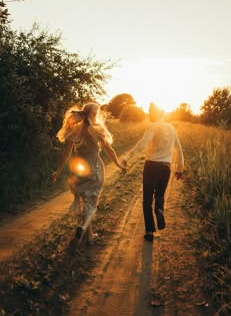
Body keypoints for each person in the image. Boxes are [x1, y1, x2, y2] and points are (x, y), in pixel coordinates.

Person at [52, 102, 126, 245]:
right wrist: (119, 165)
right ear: (93, 114)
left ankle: (89, 237)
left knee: (85, 201)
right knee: (91, 203)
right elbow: (110, 151)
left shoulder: (74, 129)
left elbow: (66, 153)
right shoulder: (96, 130)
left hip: (79, 168)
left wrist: (58, 171)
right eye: (97, 113)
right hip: (95, 167)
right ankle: (83, 228)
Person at [122, 102, 184, 242]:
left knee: (147, 200)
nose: (149, 113)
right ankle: (159, 210)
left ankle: (149, 231)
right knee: (160, 195)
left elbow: (141, 145)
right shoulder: (172, 129)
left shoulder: (153, 126)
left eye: (150, 111)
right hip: (166, 167)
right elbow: (179, 150)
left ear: (157, 113)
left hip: (151, 166)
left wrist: (126, 158)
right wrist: (180, 168)